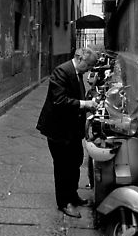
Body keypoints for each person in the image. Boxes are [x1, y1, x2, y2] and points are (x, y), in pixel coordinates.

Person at [36, 47, 98, 218]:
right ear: (79, 58)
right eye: (89, 65)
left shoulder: (77, 73)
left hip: (71, 129)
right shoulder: (62, 71)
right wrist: (85, 104)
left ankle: (73, 196)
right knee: (63, 166)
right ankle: (64, 202)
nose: (90, 69)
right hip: (58, 129)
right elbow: (59, 100)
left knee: (75, 161)